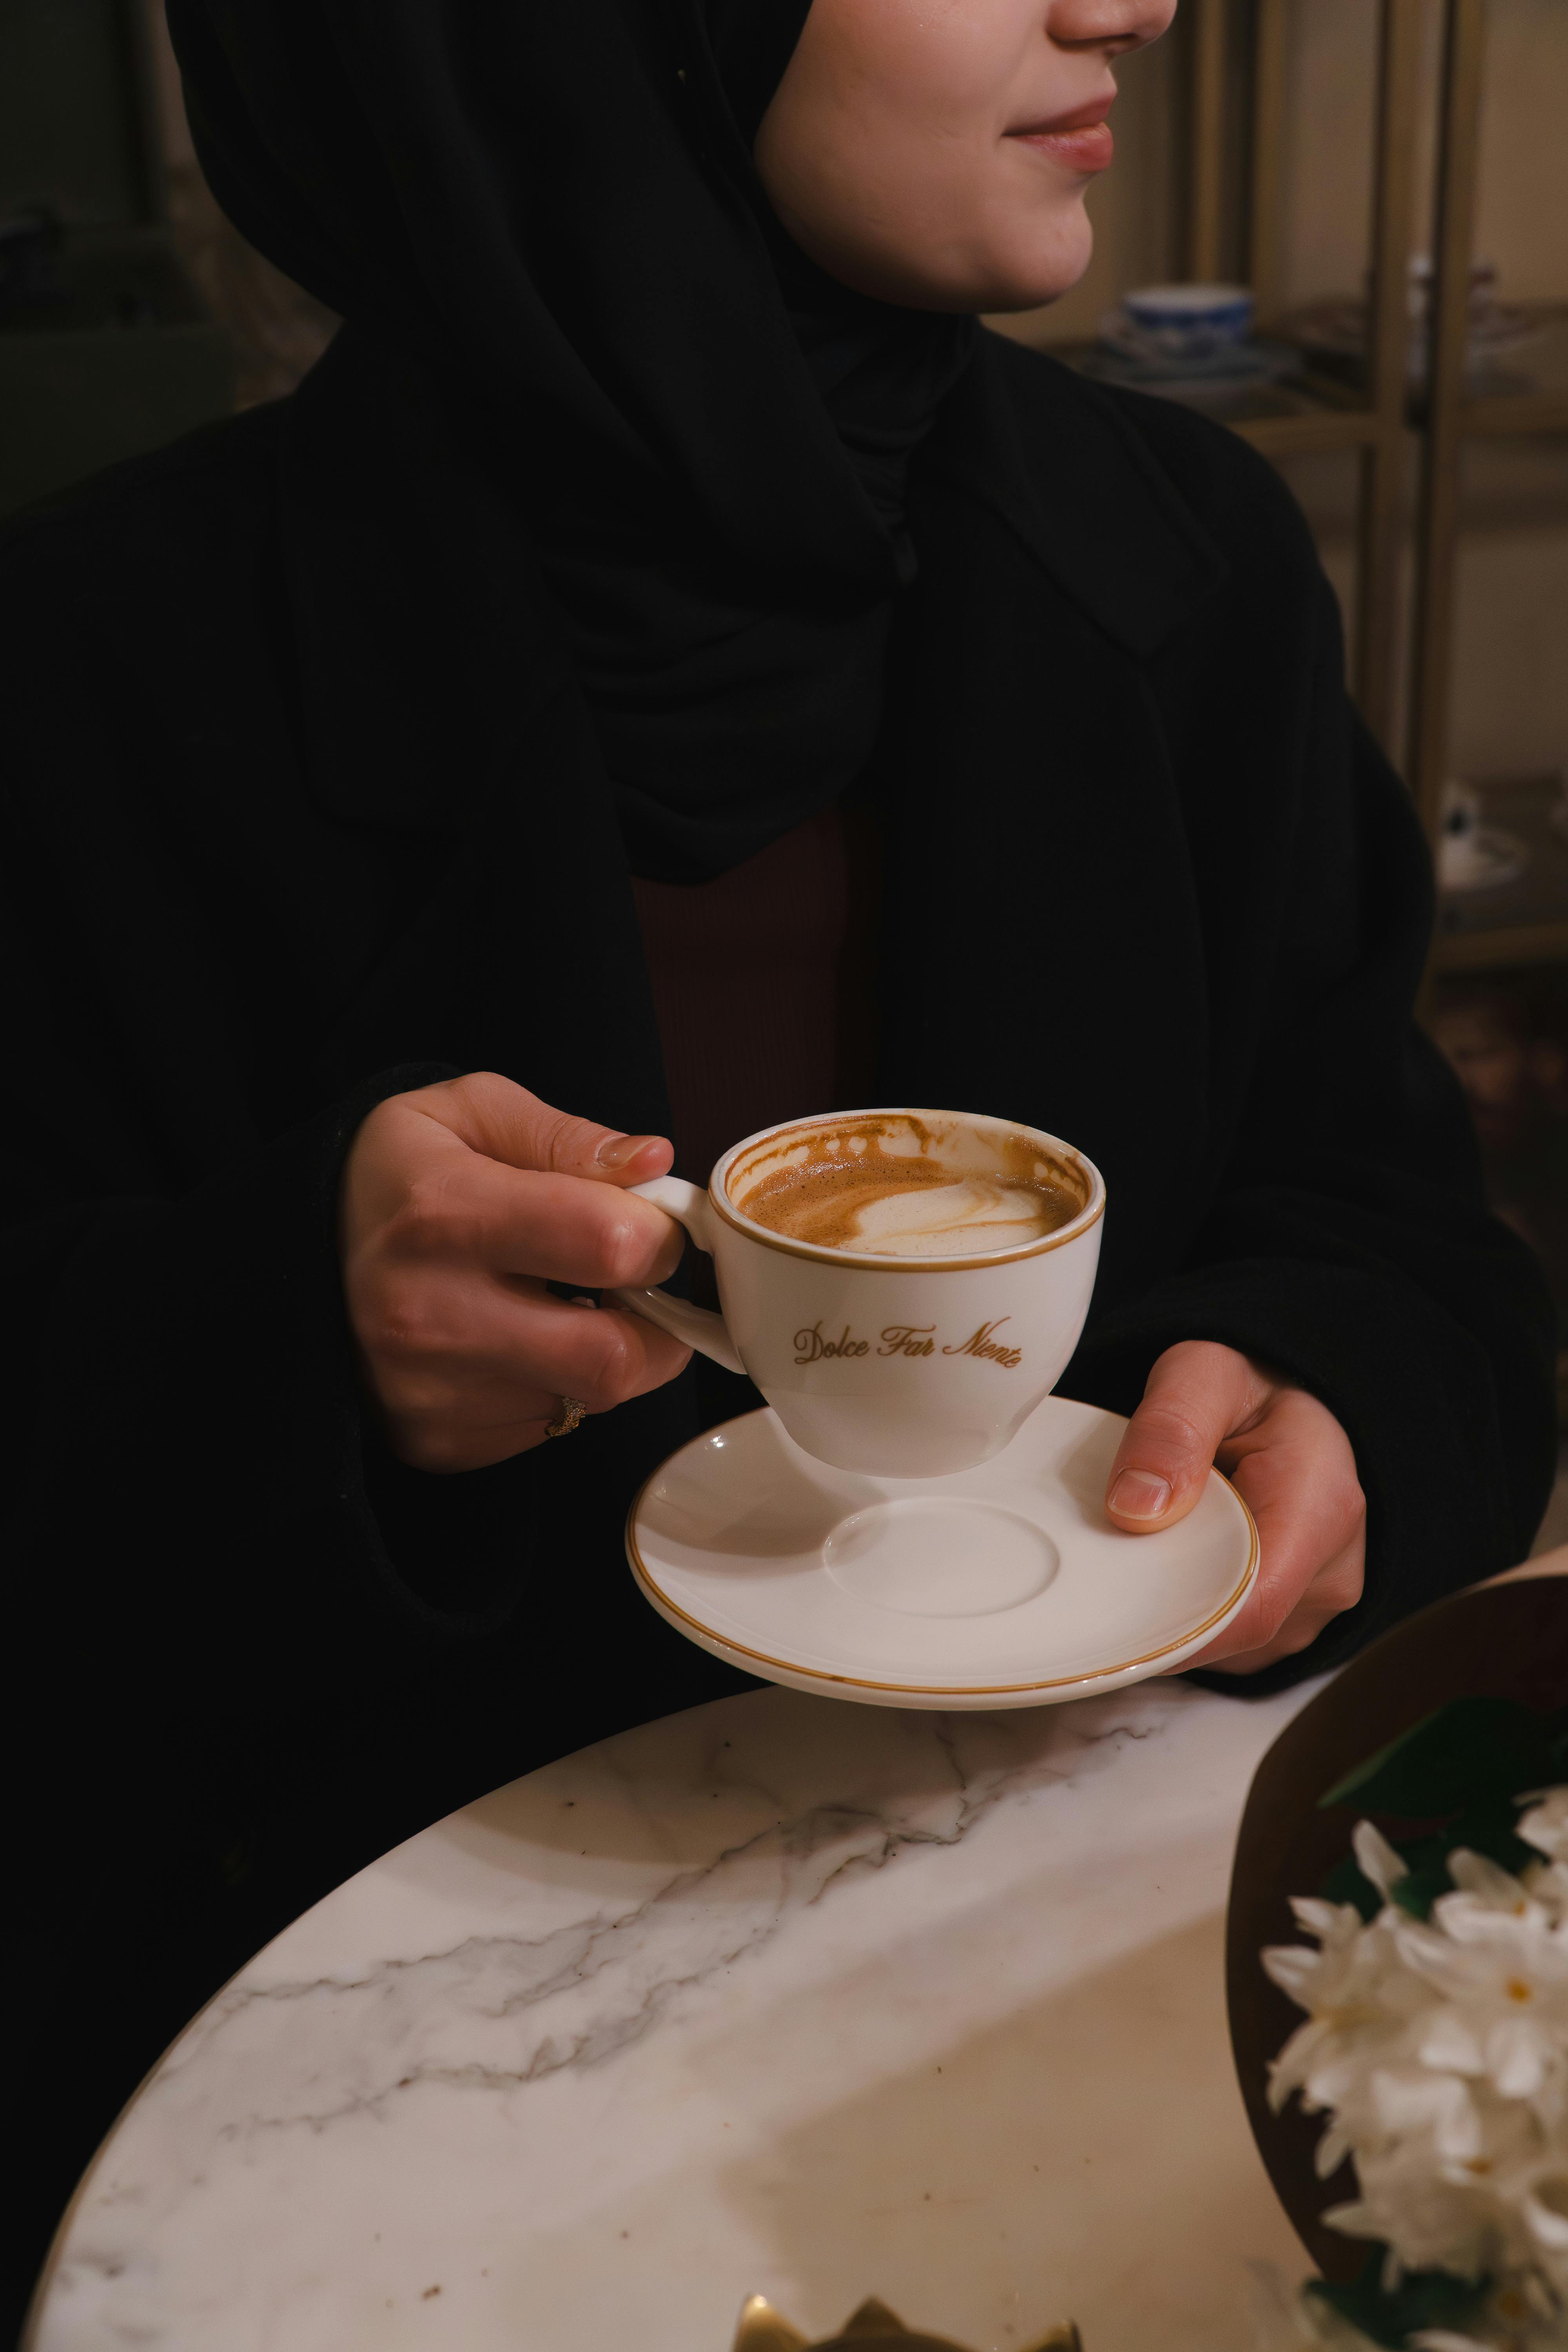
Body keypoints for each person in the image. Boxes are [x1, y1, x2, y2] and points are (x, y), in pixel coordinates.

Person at [3, 0, 1556, 2318]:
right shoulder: (102, 667)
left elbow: (1391, 1214)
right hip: (384, 2113)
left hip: (1078, 1970)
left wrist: (1331, 1401)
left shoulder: (1187, 556)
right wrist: (287, 1335)